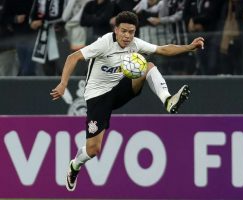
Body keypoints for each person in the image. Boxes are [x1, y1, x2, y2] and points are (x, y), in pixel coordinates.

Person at [50, 11, 204, 191]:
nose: (127, 36)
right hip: (97, 97)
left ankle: (167, 100)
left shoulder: (135, 44)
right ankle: (74, 165)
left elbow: (162, 49)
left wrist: (189, 47)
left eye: (131, 32)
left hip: (119, 89)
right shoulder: (104, 43)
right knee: (93, 150)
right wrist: (63, 84)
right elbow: (72, 57)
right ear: (116, 29)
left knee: (148, 66)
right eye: (123, 31)